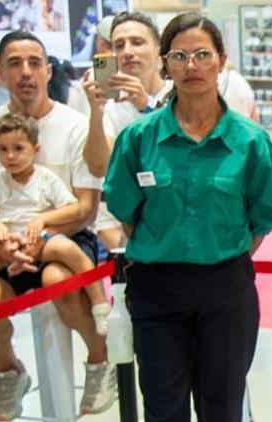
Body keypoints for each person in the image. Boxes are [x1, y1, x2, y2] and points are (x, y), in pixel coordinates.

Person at [103, 12, 272, 422]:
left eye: (203, 54)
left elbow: (262, 218)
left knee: (223, 412)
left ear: (221, 62)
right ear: (166, 65)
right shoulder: (138, 139)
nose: (192, 65)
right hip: (155, 291)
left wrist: (221, 249)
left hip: (225, 289)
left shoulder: (249, 143)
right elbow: (125, 211)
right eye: (180, 55)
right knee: (164, 415)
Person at [0, 30, 114, 422]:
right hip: (3, 245)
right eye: (14, 64)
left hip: (64, 240)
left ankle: (99, 359)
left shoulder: (76, 126)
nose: (25, 73)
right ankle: (11, 370)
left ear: (48, 70)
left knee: (59, 278)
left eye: (33, 63)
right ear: (0, 72)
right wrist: (4, 243)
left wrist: (40, 230)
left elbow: (84, 209)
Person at [0, 113, 108, 347]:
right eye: (3, 149)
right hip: (4, 242)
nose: (10, 156)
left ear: (35, 149)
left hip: (39, 239)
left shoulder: (45, 179)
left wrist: (42, 220)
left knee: (69, 251)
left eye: (18, 148)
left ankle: (100, 304)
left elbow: (74, 209)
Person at [82, 10, 169, 252]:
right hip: (128, 222)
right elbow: (99, 166)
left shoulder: (178, 95)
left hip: (176, 215)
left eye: (137, 42)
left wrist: (147, 107)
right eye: (119, 45)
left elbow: (186, 152)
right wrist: (95, 112)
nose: (127, 51)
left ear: (158, 50)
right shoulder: (110, 107)